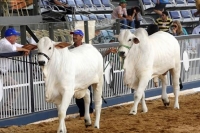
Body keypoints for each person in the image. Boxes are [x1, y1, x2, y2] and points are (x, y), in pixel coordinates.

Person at [70, 29, 117, 119]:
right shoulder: (70, 49)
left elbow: (97, 56)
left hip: (88, 72)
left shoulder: (87, 48)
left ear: (81, 37)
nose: (74, 36)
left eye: (76, 35)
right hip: (77, 74)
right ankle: (83, 112)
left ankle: (89, 111)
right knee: (78, 94)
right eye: (73, 35)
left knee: (89, 92)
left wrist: (108, 51)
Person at [0, 28, 30, 112]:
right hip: (0, 73)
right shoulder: (3, 43)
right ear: (10, 37)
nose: (16, 37)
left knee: (16, 87)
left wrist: (29, 48)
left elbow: (20, 46)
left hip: (4, 74)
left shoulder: (10, 42)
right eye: (15, 36)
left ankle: (6, 108)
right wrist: (24, 49)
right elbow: (12, 49)